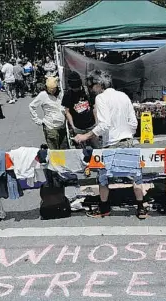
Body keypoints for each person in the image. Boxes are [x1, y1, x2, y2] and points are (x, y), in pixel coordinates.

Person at [72, 70, 145, 219]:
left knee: (103, 178)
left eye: (91, 86)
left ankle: (104, 208)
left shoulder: (101, 98)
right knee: (136, 176)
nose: (91, 90)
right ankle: (141, 208)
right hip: (128, 141)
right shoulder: (123, 96)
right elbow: (133, 123)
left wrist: (85, 136)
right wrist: (126, 133)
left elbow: (104, 125)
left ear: (99, 84)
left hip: (111, 144)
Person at [62, 71, 98, 148]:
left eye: (77, 87)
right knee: (81, 153)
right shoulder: (68, 95)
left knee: (97, 149)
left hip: (91, 126)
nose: (75, 89)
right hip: (78, 128)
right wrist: (73, 126)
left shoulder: (87, 91)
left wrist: (97, 122)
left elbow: (94, 107)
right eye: (73, 88)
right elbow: (67, 112)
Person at [29, 77, 66, 149]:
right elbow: (32, 106)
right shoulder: (43, 95)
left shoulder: (60, 94)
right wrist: (37, 120)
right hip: (50, 126)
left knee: (63, 149)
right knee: (54, 150)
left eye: (54, 89)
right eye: (50, 90)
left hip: (62, 126)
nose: (52, 91)